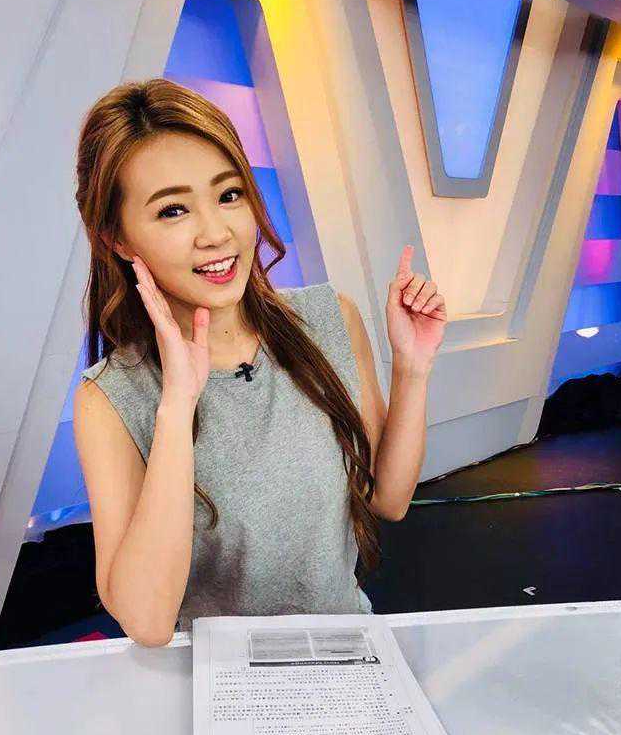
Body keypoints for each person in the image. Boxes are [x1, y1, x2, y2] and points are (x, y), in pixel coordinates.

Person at [72, 78, 447, 647]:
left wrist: (412, 369)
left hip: (343, 652)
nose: (216, 233)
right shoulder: (109, 398)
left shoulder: (329, 319)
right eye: (173, 210)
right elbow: (147, 623)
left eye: (229, 195)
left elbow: (388, 500)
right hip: (215, 680)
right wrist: (177, 405)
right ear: (118, 240)